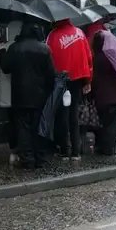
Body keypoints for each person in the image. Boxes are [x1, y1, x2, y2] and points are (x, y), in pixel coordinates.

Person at [0, 23, 56, 169]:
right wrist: (47, 91)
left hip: (20, 96)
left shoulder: (14, 48)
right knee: (39, 127)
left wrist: (1, 52)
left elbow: (5, 68)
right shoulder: (44, 49)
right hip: (39, 96)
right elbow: (51, 75)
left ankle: (27, 159)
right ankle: (41, 158)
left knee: (23, 128)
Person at [47, 18, 93, 159]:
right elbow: (88, 57)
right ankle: (76, 152)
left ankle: (65, 149)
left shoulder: (53, 36)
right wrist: (88, 80)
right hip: (78, 79)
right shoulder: (79, 33)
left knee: (62, 114)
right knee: (73, 114)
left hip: (61, 80)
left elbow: (49, 59)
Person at [91, 33, 116, 156]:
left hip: (99, 95)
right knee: (111, 124)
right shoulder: (113, 56)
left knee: (101, 122)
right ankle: (109, 148)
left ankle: (100, 145)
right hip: (114, 95)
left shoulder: (95, 57)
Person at [0, 22, 21, 164]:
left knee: (11, 122)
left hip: (7, 94)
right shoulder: (21, 47)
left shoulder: (1, 48)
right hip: (22, 93)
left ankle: (13, 151)